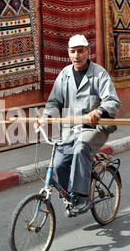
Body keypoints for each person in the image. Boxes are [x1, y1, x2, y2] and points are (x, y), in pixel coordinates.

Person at [36, 34, 121, 216]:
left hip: (95, 128)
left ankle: (83, 198)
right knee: (59, 162)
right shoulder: (64, 75)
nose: (77, 55)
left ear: (88, 52)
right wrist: (45, 117)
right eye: (73, 51)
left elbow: (112, 101)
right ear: (68, 53)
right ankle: (71, 197)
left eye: (80, 51)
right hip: (71, 129)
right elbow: (54, 102)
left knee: (81, 147)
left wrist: (98, 111)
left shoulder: (99, 74)